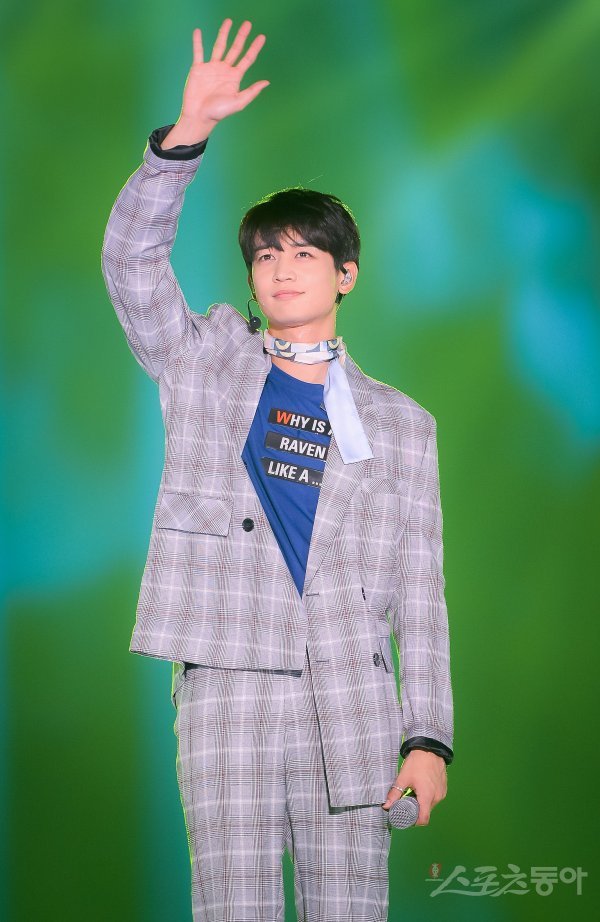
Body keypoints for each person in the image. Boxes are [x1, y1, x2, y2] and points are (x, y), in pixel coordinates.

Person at [101, 17, 454, 922]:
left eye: (304, 253)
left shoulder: (403, 426)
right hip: (229, 684)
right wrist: (185, 139)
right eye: (266, 255)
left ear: (346, 274)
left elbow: (422, 592)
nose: (282, 269)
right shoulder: (204, 361)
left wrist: (428, 738)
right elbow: (131, 265)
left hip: (353, 697)